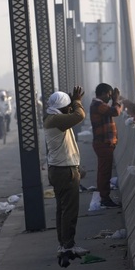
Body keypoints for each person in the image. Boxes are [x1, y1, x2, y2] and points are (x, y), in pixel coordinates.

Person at [44, 87, 89, 257]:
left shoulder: (53, 118)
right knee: (69, 210)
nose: (70, 109)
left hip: (59, 169)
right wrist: (77, 101)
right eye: (68, 106)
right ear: (62, 107)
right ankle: (68, 245)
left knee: (62, 209)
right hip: (64, 170)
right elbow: (80, 115)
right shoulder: (56, 120)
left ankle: (64, 244)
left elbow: (73, 115)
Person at [89, 83, 123, 208]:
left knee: (104, 171)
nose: (109, 97)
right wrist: (116, 100)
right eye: (109, 95)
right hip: (103, 143)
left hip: (104, 143)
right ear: (102, 93)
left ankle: (104, 197)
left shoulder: (98, 105)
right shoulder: (98, 105)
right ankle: (104, 198)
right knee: (104, 172)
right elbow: (115, 111)